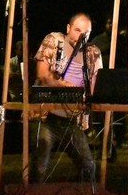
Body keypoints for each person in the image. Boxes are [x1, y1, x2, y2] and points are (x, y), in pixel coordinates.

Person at [31, 13, 102, 183]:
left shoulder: (93, 52)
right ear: (68, 28)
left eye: (86, 32)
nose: (81, 36)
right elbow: (42, 74)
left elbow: (95, 85)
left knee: (89, 166)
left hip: (71, 119)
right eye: (77, 30)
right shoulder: (54, 40)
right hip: (46, 115)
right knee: (41, 163)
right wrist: (70, 88)